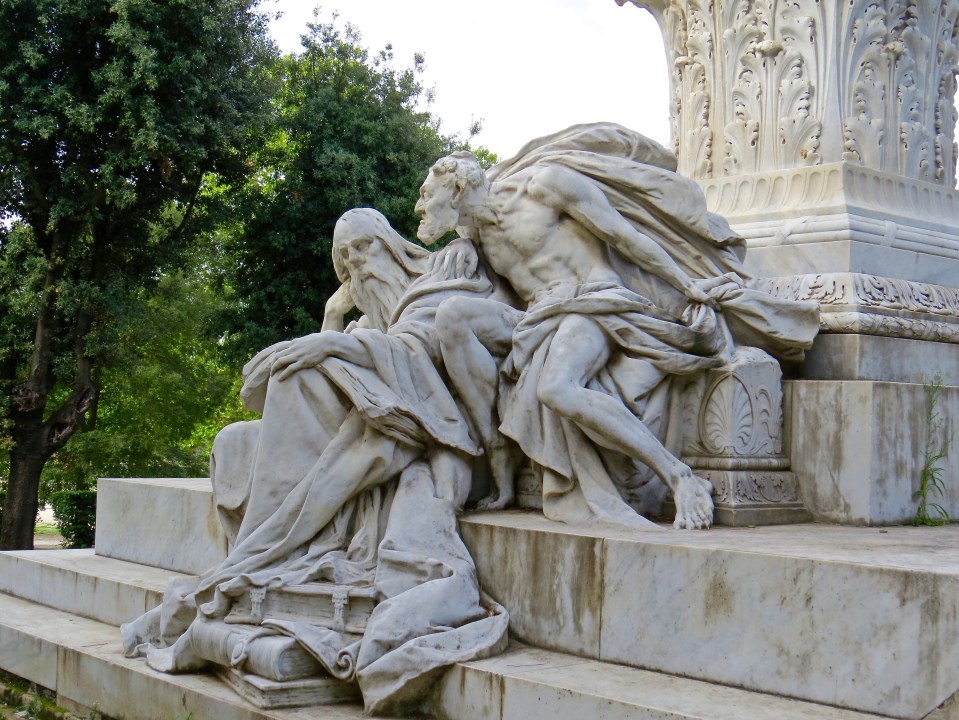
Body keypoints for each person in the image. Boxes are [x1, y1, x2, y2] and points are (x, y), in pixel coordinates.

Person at [123, 209, 508, 714]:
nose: (356, 264)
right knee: (237, 439)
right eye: (343, 258)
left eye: (363, 248)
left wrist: (331, 343)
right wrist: (332, 320)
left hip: (437, 427)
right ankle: (269, 546)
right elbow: (357, 357)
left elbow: (426, 348)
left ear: (389, 244)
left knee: (298, 378)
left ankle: (268, 547)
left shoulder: (436, 275)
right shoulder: (369, 316)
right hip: (380, 415)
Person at [417, 123, 819, 530]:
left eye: (425, 196)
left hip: (593, 303)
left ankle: (679, 476)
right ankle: (497, 448)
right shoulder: (475, 233)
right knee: (451, 316)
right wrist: (459, 246)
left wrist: (687, 285)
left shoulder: (544, 186)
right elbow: (495, 291)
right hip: (538, 315)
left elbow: (624, 236)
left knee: (556, 387)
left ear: (456, 188)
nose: (419, 208)